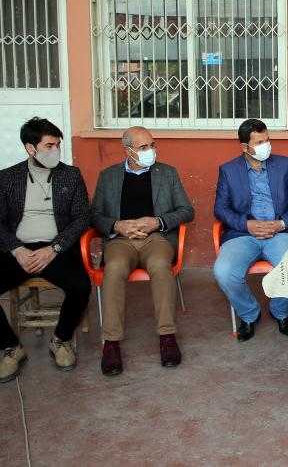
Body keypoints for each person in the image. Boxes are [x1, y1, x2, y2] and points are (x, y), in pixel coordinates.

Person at [91, 126, 195, 375]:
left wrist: (157, 222)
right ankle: (111, 343)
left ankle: (167, 336)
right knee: (114, 268)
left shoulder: (167, 173)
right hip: (120, 240)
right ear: (128, 151)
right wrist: (117, 225)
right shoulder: (108, 176)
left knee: (160, 266)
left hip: (156, 239)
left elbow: (186, 211)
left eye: (152, 145)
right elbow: (94, 215)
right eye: (143, 147)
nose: (151, 151)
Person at [0, 118, 91, 382]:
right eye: (49, 146)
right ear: (30, 148)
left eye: (58, 145)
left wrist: (55, 248)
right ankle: (11, 347)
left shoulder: (70, 175)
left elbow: (82, 217)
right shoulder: (7, 178)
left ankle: (61, 339)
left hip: (56, 248)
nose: (55, 151)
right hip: (18, 250)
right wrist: (16, 249)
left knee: (81, 286)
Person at [213, 119, 288, 342]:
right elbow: (220, 208)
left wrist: (281, 223)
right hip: (243, 234)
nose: (266, 146)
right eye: (259, 142)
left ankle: (280, 311)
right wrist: (247, 224)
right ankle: (249, 314)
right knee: (224, 272)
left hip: (280, 232)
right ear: (245, 147)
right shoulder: (229, 170)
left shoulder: (285, 165)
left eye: (267, 140)